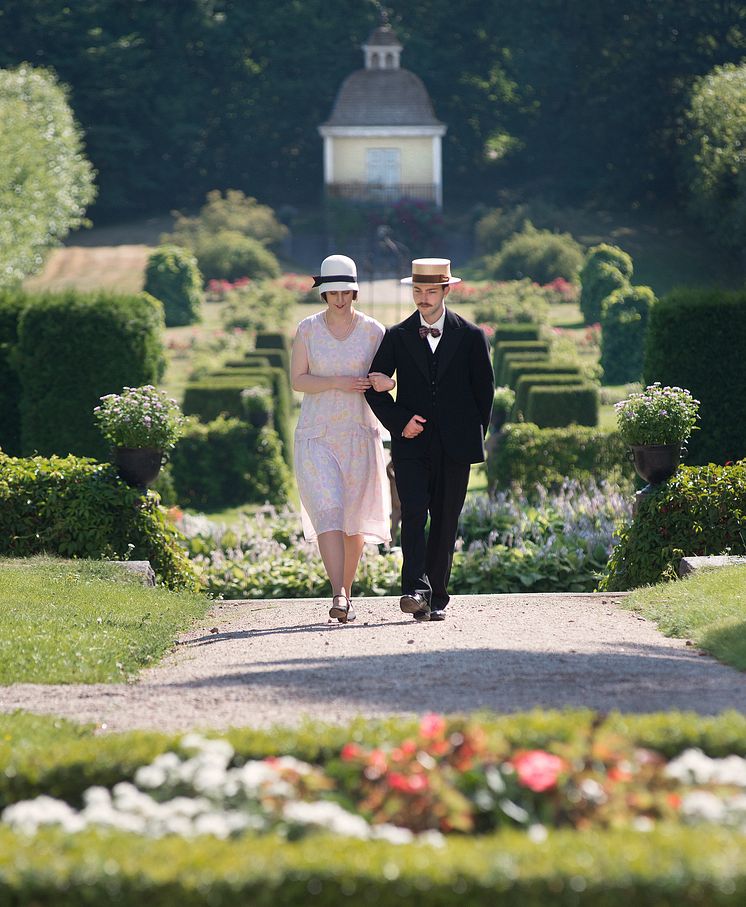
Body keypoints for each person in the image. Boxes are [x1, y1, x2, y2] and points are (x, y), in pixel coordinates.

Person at [365, 258, 494, 622]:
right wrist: (400, 421)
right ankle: (415, 590)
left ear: (446, 291)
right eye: (418, 291)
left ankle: (436, 597)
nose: (423, 298)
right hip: (411, 445)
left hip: (456, 447)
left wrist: (470, 437)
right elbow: (373, 386)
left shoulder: (471, 336)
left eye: (430, 291)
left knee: (445, 520)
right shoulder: (397, 336)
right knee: (413, 513)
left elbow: (484, 393)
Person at [291, 254, 394, 623]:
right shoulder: (307, 329)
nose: (339, 298)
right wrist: (336, 381)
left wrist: (389, 383)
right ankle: (337, 592)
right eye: (332, 291)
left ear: (354, 292)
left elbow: (388, 377)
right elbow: (297, 380)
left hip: (360, 434)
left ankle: (345, 594)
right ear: (323, 293)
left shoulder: (374, 331)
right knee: (329, 512)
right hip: (316, 436)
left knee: (355, 522)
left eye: (345, 291)